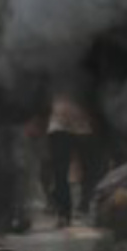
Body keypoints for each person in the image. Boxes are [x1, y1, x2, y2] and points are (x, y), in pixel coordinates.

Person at [48, 86, 104, 228]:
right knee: (60, 172)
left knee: (91, 170)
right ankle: (64, 213)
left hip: (83, 124)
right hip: (59, 124)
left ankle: (86, 206)